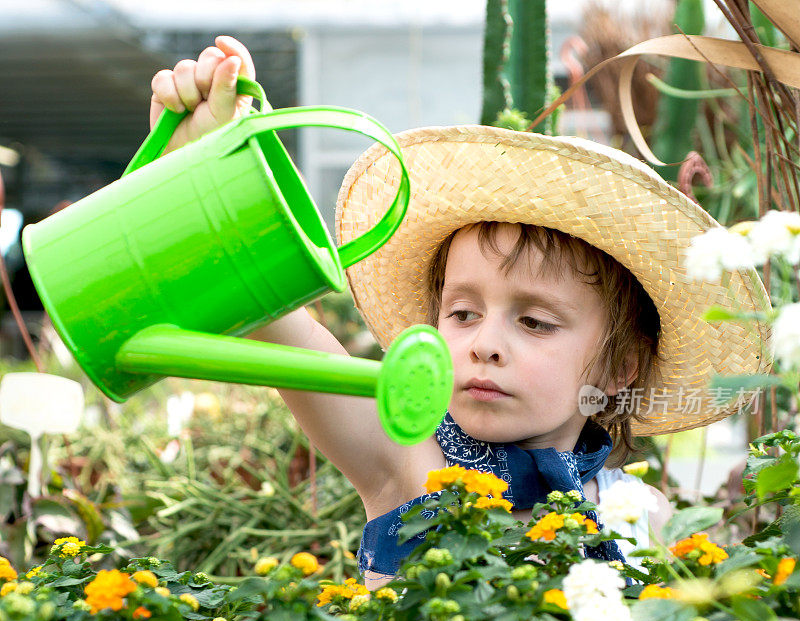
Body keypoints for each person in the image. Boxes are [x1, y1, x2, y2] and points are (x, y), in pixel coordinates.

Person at [149, 37, 771, 589]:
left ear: (619, 368)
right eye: (463, 313)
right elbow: (288, 331)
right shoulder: (407, 458)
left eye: (534, 322)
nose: (484, 344)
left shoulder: (643, 518)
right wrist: (207, 172)